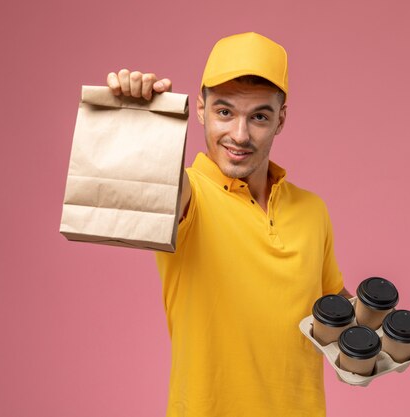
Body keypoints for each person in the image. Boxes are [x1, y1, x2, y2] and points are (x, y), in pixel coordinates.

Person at [107, 32, 353, 417]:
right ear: (201, 108)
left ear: (280, 120)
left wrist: (382, 331)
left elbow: (337, 316)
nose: (240, 135)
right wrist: (136, 119)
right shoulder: (192, 197)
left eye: (259, 116)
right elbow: (159, 184)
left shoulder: (312, 211)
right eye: (225, 112)